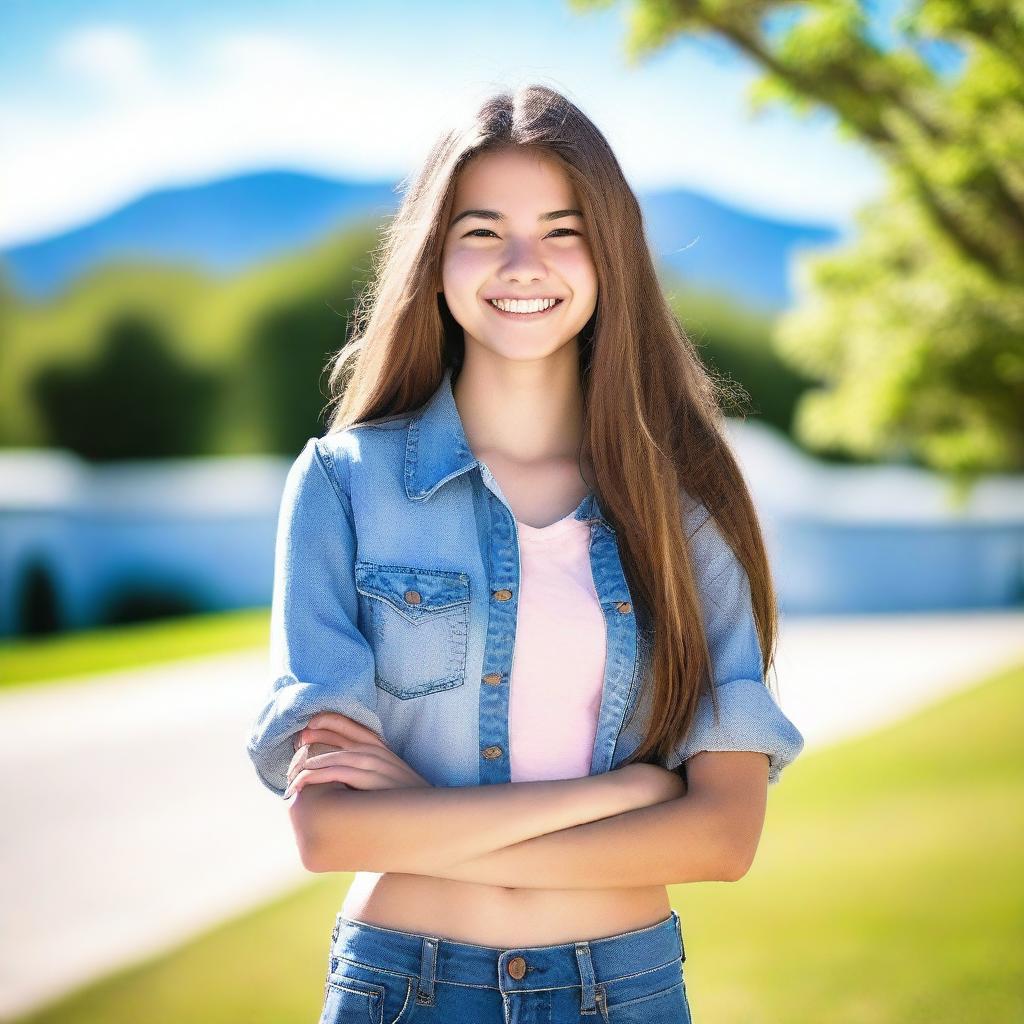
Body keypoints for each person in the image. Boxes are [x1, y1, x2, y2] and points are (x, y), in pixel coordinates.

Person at [246, 83, 805, 1024]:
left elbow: (722, 838)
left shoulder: (686, 500)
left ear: (610, 255)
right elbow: (328, 827)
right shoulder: (343, 484)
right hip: (403, 987)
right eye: (480, 231)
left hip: (620, 991)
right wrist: (626, 793)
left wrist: (422, 819)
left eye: (561, 229)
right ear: (433, 259)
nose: (521, 264)